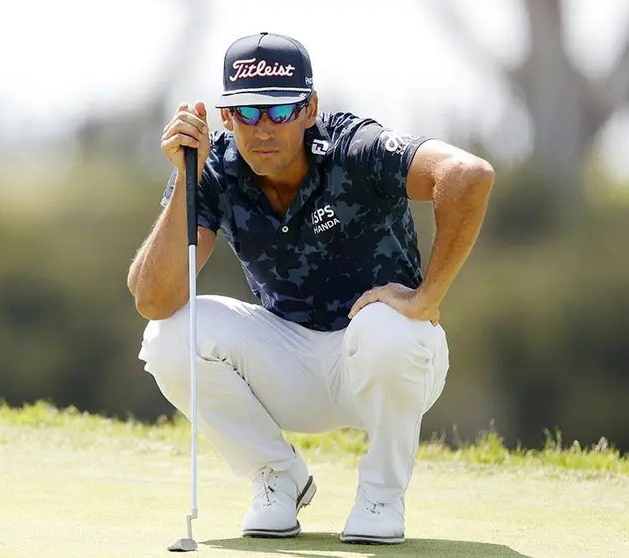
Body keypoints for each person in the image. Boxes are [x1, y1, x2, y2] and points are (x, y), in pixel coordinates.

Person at [126, 31, 494, 545]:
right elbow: (154, 299)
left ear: (309, 108)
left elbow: (467, 175)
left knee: (388, 326)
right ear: (226, 116)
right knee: (168, 337)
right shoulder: (213, 167)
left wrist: (426, 296)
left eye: (279, 111)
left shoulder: (353, 147)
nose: (263, 129)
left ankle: (381, 495)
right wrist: (187, 176)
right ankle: (278, 477)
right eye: (247, 113)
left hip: (385, 359)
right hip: (289, 363)